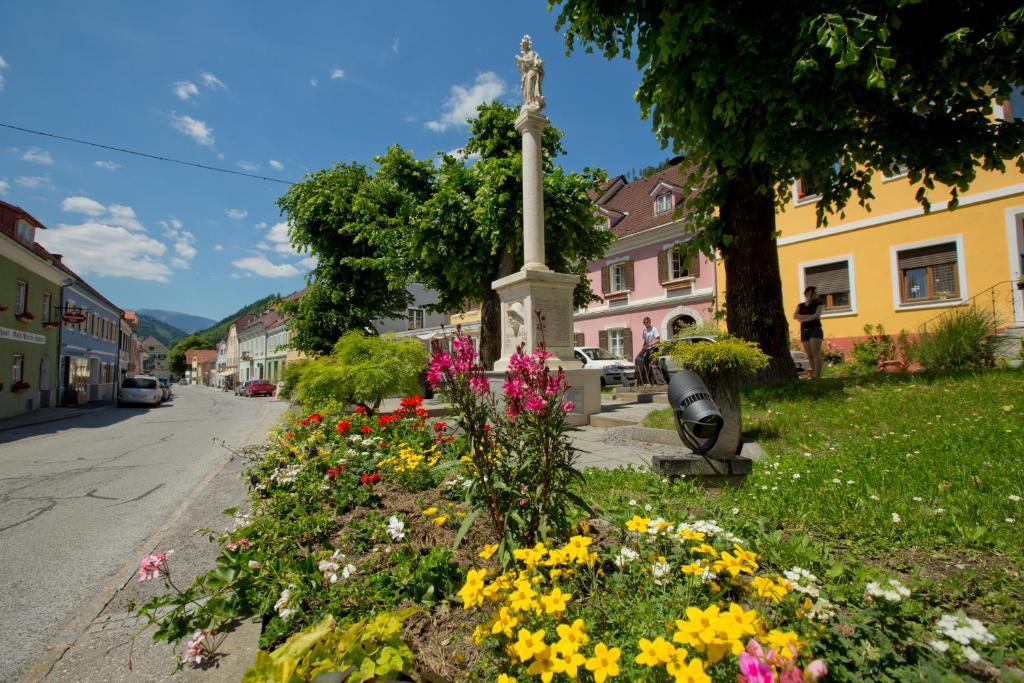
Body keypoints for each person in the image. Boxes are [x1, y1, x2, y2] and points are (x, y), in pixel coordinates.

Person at [794, 286, 824, 379]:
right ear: (807, 293)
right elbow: (795, 316)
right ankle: (814, 374)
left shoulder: (819, 304)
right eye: (813, 293)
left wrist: (803, 318)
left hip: (815, 329)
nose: (815, 294)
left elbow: (816, 315)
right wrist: (809, 317)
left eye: (816, 293)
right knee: (809, 354)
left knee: (816, 353)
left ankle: (817, 376)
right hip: (804, 331)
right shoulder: (800, 305)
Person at [634, 316, 662, 386]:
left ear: (650, 322)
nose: (646, 323)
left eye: (647, 322)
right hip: (648, 349)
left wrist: (650, 344)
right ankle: (646, 381)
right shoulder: (644, 331)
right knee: (644, 363)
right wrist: (642, 349)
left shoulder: (654, 329)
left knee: (652, 365)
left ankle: (659, 382)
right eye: (645, 323)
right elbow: (645, 342)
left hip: (654, 349)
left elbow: (658, 340)